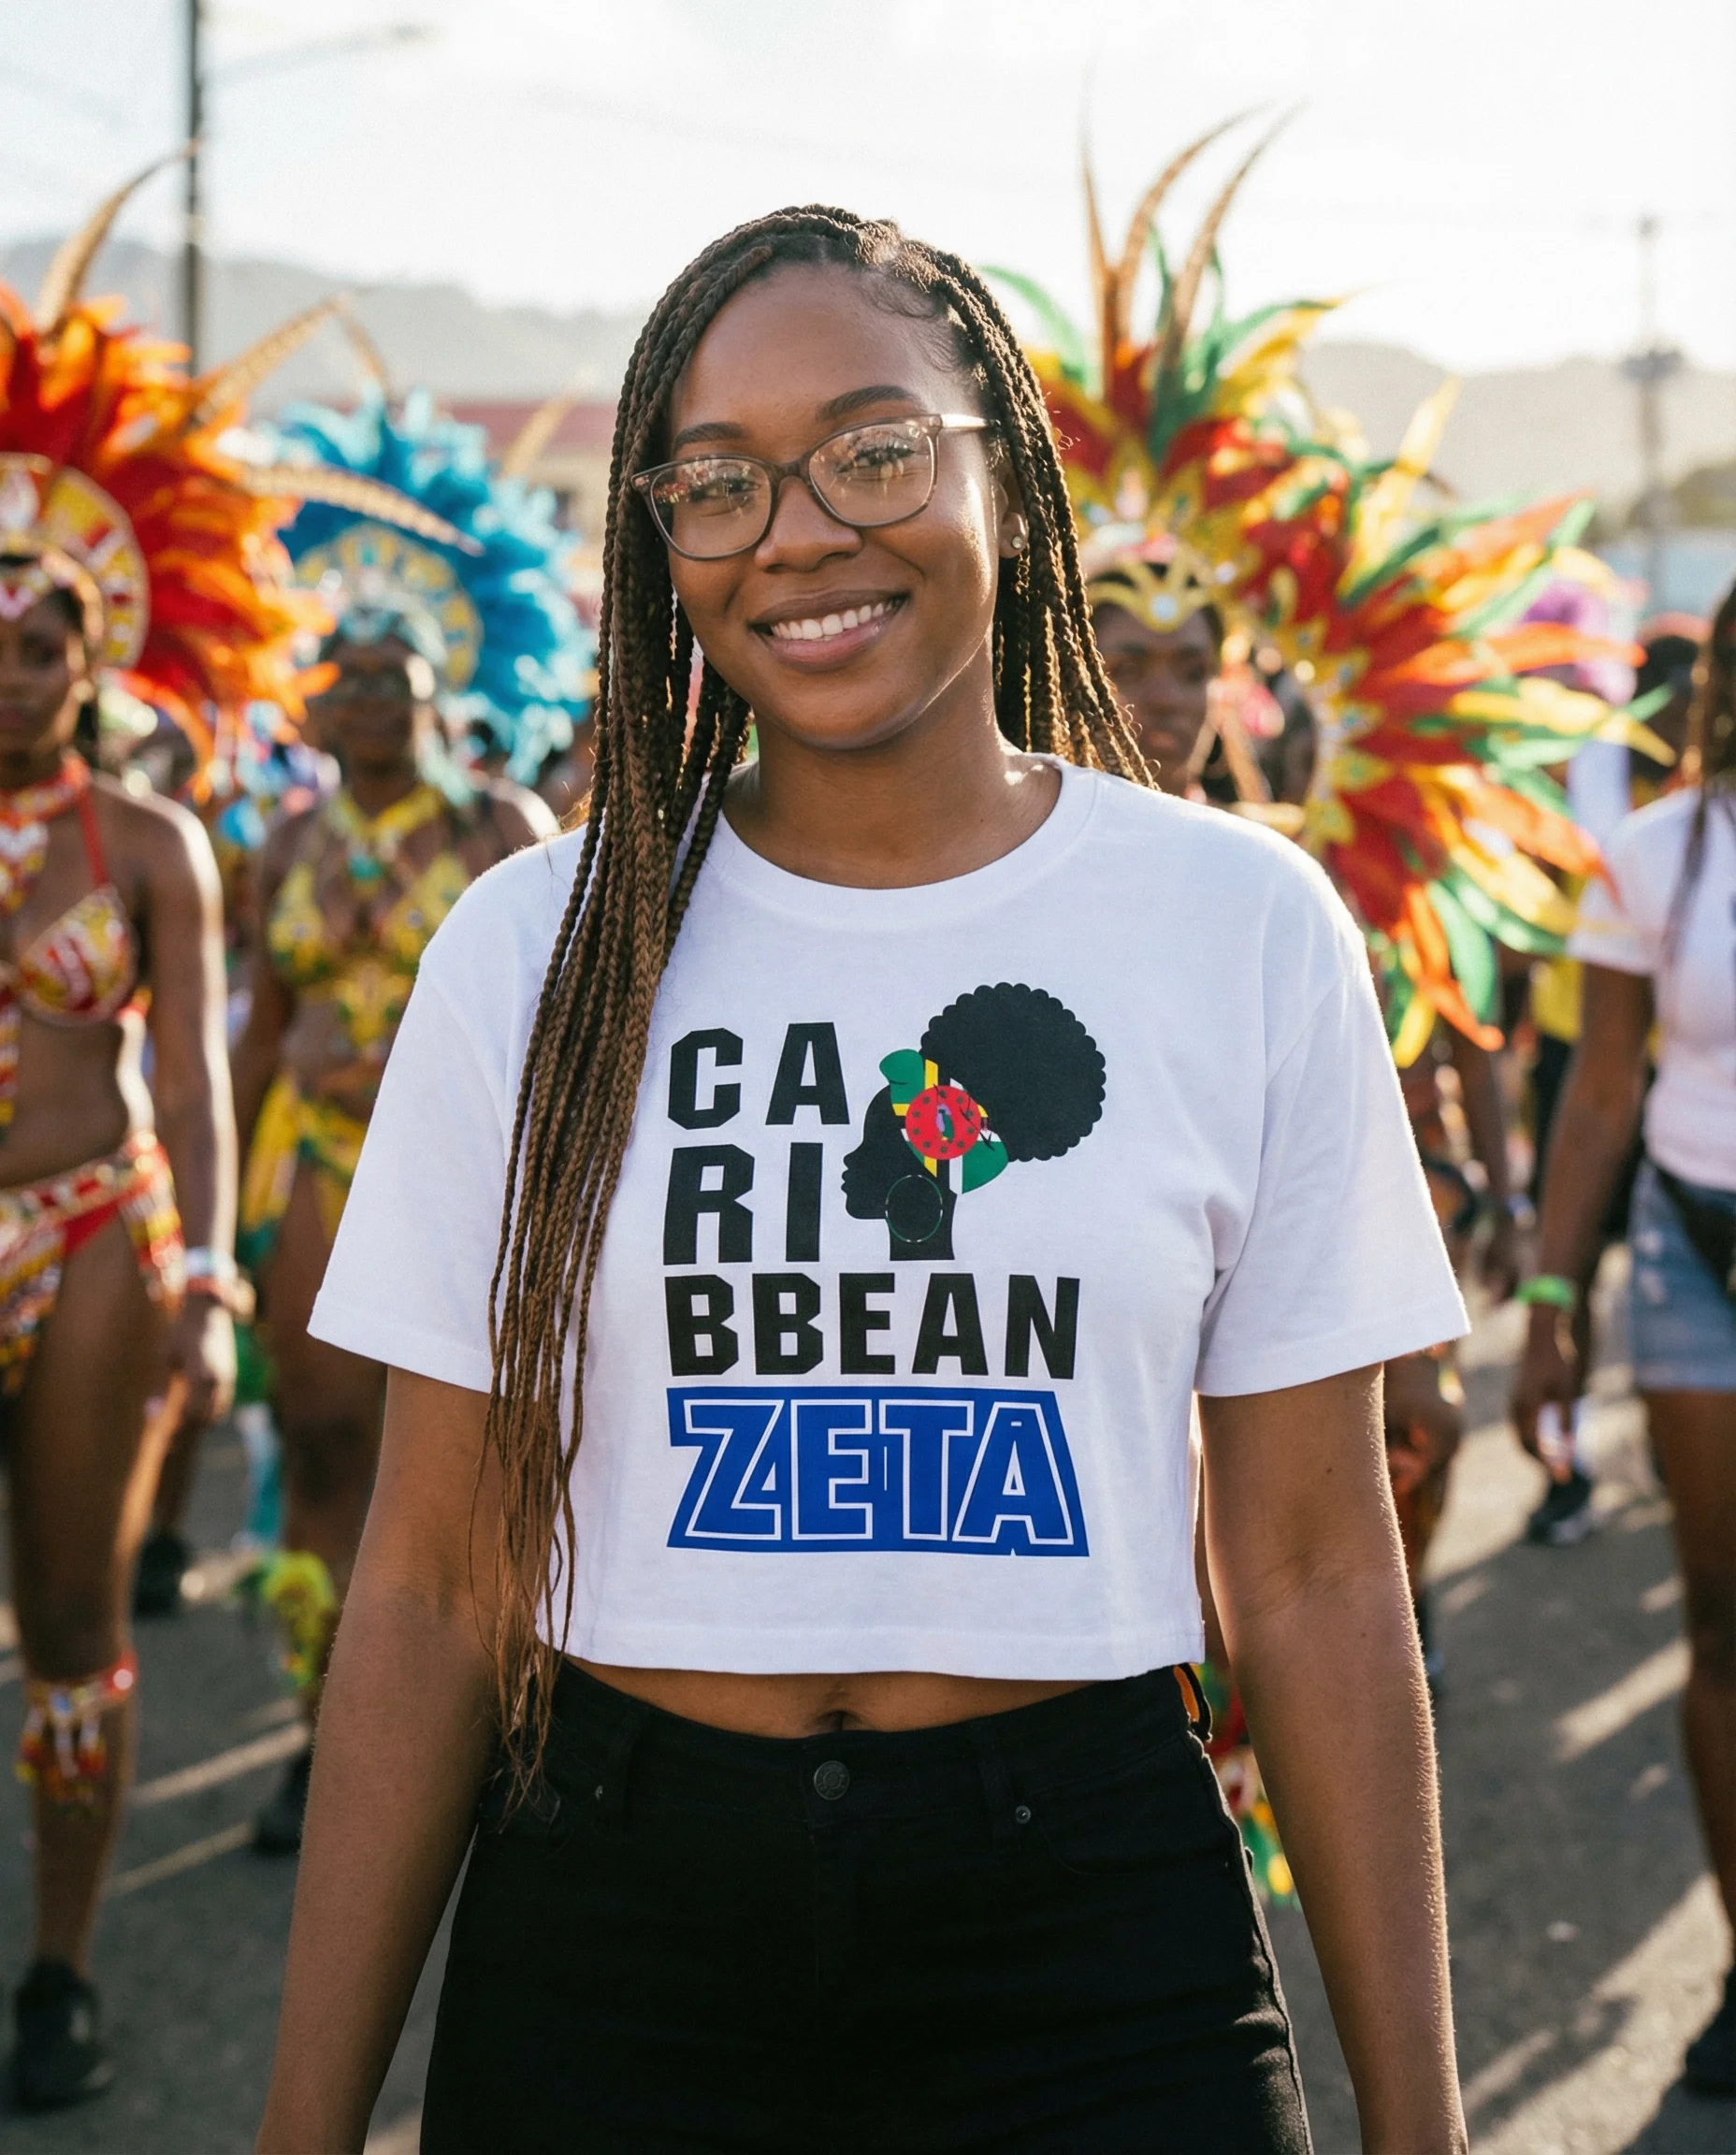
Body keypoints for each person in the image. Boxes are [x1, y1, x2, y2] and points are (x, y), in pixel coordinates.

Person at [260, 206, 1471, 2154]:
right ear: (659, 539)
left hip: (1090, 1911)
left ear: (1000, 460)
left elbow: (1320, 1570)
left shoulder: (1234, 924)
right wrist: (299, 2128)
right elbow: (421, 1583)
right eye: (717, 482)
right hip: (617, 1918)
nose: (798, 532)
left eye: (872, 449)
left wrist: (1422, 2129)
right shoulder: (527, 950)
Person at [0, 206, 315, 2107]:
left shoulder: (148, 846)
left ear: (96, 644)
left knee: (69, 1620)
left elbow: (194, 1080)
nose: (12, 663)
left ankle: (59, 1968)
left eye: (43, 633)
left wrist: (202, 1280)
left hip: (92, 1233)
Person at [232, 498, 563, 1849]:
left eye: (396, 678)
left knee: (488, 1457)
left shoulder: (501, 828)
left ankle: (498, 1731)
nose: (371, 700)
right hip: (310, 1164)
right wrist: (207, 1233)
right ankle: (320, 1739)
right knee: (323, 1448)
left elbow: (561, 1010)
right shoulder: (286, 842)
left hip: (469, 1173)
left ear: (441, 690)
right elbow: (256, 1021)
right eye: (348, 678)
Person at [1512, 577, 1736, 2099]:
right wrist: (1547, 1299)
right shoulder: (1658, 851)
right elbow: (1595, 1085)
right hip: (1692, 1254)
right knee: (1724, 1623)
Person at [1522, 607, 1693, 1543]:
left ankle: (1681, 1442)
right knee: (1578, 1262)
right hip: (1578, 1054)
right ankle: (1564, 1468)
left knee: (1667, 1262)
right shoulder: (1581, 776)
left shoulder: (1708, 794)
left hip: (1683, 1068)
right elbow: (1534, 894)